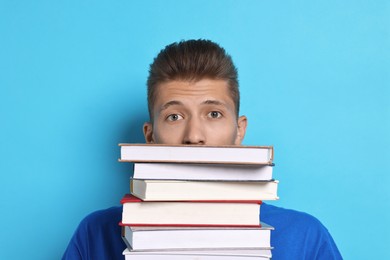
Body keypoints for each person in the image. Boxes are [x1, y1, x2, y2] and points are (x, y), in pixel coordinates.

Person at [63, 39, 342, 259]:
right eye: (174, 116)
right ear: (149, 137)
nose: (194, 137)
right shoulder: (95, 233)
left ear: (239, 131)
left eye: (214, 114)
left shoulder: (306, 236)